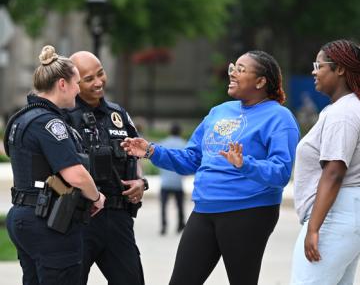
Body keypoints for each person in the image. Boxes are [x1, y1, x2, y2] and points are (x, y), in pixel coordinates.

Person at [121, 50, 300, 285]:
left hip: (248, 211)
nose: (233, 74)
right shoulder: (219, 112)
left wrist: (244, 164)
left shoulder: (279, 118)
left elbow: (281, 172)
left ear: (260, 81)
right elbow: (192, 158)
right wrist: (152, 150)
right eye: (233, 68)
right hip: (204, 210)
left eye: (241, 70)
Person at [4, 45, 105, 285]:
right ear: (62, 84)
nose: (78, 90)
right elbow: (76, 175)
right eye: (76, 83)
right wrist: (96, 197)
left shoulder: (21, 118)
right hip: (48, 223)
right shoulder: (50, 124)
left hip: (23, 216)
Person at [66, 51, 147, 285]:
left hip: (118, 217)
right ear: (74, 83)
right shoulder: (64, 117)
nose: (99, 82)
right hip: (80, 218)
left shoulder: (118, 114)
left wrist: (140, 182)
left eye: (100, 74)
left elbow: (135, 153)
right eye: (89, 79)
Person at [290, 40, 360, 285]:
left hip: (336, 213)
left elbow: (334, 172)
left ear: (339, 69)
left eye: (319, 65)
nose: (313, 71)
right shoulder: (347, 108)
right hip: (346, 210)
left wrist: (314, 228)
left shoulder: (343, 114)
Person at [159, 123, 187, 235]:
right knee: (180, 205)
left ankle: (164, 226)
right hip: (178, 182)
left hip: (165, 181)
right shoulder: (184, 144)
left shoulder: (163, 143)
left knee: (163, 206)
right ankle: (180, 225)